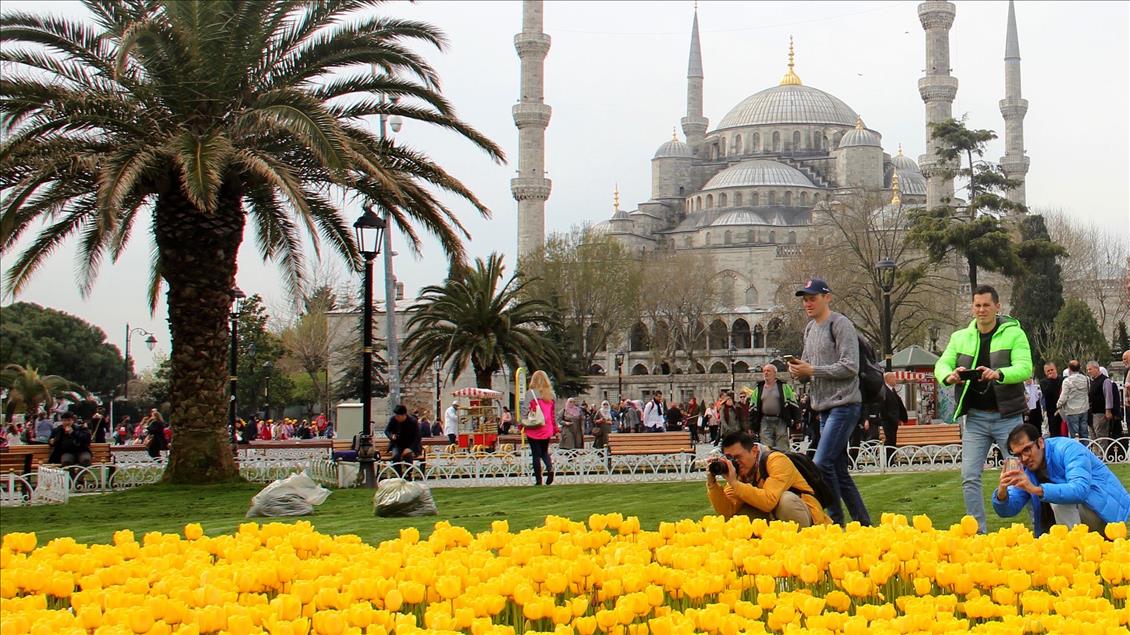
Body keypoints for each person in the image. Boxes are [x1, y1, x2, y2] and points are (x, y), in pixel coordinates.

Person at [934, 284, 1033, 534]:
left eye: (986, 305)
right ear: (972, 307)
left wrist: (998, 373)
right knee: (969, 476)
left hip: (1008, 419)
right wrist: (949, 376)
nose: (981, 310)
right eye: (977, 305)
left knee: (1021, 475)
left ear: (997, 307)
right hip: (975, 419)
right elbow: (942, 363)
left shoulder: (1014, 334)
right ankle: (978, 533)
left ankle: (1039, 528)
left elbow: (1024, 368)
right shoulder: (960, 337)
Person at [788, 278, 871, 527]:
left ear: (827, 297)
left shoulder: (840, 323)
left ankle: (836, 522)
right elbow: (808, 367)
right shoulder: (810, 329)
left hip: (845, 404)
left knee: (821, 464)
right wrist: (798, 371)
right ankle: (862, 524)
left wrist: (812, 370)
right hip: (822, 407)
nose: (808, 303)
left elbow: (850, 366)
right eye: (805, 299)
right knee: (838, 470)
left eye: (812, 298)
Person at [993, 423, 1130, 536]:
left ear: (1040, 442)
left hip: (1105, 516)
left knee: (1058, 502)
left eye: (1027, 450)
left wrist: (1036, 490)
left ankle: (1074, 548)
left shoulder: (1069, 449)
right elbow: (1009, 511)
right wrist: (1002, 492)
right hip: (1078, 516)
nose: (1023, 458)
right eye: (1018, 455)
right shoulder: (1026, 468)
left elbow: (1080, 490)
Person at [706, 431, 832, 527]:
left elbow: (768, 501)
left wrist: (734, 483)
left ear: (754, 451)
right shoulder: (739, 473)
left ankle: (803, 543)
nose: (735, 462)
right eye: (730, 458)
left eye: (738, 457)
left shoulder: (776, 460)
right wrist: (712, 484)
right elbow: (727, 511)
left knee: (785, 501)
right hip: (774, 518)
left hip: (807, 517)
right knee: (738, 516)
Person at [747, 364, 800, 450]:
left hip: (780, 419)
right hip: (765, 420)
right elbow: (752, 408)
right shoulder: (758, 389)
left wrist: (797, 419)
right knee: (766, 447)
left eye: (768, 371)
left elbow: (793, 404)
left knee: (782, 445)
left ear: (775, 373)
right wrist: (751, 426)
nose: (766, 373)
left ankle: (783, 461)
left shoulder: (784, 387)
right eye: (764, 371)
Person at [522, 370, 558, 485]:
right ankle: (550, 468)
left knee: (535, 454)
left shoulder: (530, 394)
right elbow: (553, 415)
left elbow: (524, 411)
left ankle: (538, 480)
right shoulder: (550, 395)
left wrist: (521, 424)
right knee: (544, 452)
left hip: (534, 426)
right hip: (546, 427)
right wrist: (555, 429)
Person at [878, 373, 909, 467]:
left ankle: (891, 460)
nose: (895, 380)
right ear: (888, 379)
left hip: (893, 420)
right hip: (887, 420)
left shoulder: (892, 390)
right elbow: (883, 407)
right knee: (890, 440)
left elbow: (898, 405)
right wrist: (891, 417)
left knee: (893, 440)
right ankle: (888, 460)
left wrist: (902, 417)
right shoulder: (884, 391)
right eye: (894, 378)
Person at [1086, 361, 1116, 453]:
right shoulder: (1092, 381)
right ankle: (1096, 455)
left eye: (1090, 369)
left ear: (1097, 369)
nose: (1088, 371)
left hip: (1101, 413)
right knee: (1093, 436)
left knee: (1101, 436)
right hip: (1092, 413)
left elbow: (1108, 396)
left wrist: (1108, 410)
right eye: (1087, 370)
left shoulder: (1105, 380)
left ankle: (1103, 455)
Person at [384, 405, 422, 476]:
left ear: (404, 415)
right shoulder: (393, 419)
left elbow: (417, 437)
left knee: (408, 456)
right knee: (395, 456)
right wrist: (391, 436)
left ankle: (409, 474)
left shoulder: (412, 421)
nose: (396, 418)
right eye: (396, 416)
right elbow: (387, 431)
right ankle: (399, 475)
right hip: (397, 444)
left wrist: (410, 448)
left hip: (409, 444)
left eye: (398, 416)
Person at [1057, 360, 1090, 439]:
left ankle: (1076, 450)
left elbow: (1063, 397)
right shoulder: (1086, 379)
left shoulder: (1067, 381)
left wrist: (1058, 404)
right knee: (1084, 433)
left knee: (1074, 435)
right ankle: (1085, 449)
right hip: (1084, 409)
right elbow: (1088, 391)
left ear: (1069, 369)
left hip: (1071, 411)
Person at [1040, 362, 1064, 438]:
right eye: (1048, 371)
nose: (1050, 372)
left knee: (1064, 432)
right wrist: (1051, 380)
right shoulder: (1043, 382)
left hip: (1063, 410)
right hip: (1052, 411)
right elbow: (1046, 392)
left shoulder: (1063, 379)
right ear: (1045, 372)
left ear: (1055, 369)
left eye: (1052, 370)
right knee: (1054, 433)